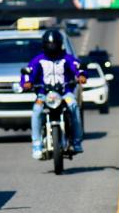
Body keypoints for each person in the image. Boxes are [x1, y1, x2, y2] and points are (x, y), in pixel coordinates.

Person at [21, 29, 87, 159]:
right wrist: (26, 83)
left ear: (60, 44)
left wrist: (81, 75)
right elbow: (28, 72)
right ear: (44, 45)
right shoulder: (38, 60)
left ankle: (76, 141)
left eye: (54, 44)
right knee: (37, 111)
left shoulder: (67, 58)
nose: (52, 47)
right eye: (49, 44)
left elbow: (78, 67)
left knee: (73, 106)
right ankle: (37, 145)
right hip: (43, 95)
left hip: (65, 93)